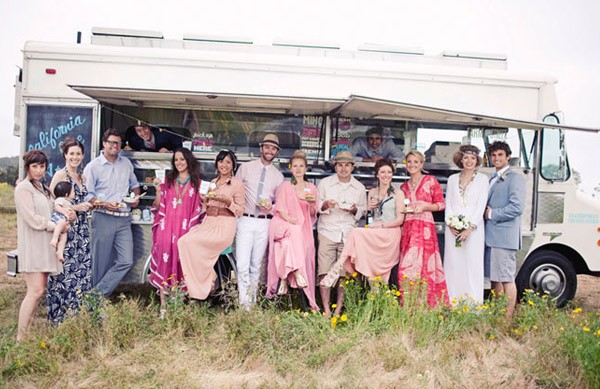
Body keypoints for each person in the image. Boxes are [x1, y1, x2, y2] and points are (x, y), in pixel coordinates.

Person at [320, 159, 405, 310]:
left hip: (390, 233)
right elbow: (369, 216)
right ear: (377, 174)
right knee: (357, 235)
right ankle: (375, 306)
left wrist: (382, 224)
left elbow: (400, 219)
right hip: (375, 232)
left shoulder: (398, 193)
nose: (386, 175)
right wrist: (369, 209)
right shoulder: (372, 192)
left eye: (389, 172)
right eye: (383, 172)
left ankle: (339, 265)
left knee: (355, 232)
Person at [15, 150, 70, 341]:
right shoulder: (23, 189)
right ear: (28, 168)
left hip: (45, 244)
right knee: (35, 291)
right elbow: (32, 218)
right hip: (33, 244)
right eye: (35, 166)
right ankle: (20, 338)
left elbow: (52, 208)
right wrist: (54, 226)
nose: (39, 170)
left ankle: (27, 333)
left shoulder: (43, 188)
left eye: (42, 166)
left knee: (39, 291)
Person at [178, 149, 244, 300]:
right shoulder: (213, 183)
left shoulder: (237, 184)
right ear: (216, 164)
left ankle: (209, 281)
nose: (224, 165)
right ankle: (207, 278)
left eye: (228, 162)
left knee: (197, 242)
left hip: (225, 224)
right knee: (184, 242)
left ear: (233, 165)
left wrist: (228, 202)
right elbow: (206, 208)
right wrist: (205, 200)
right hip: (209, 222)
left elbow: (240, 210)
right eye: (221, 161)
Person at [84, 128, 140, 297]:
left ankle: (95, 296)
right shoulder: (93, 166)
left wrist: (135, 197)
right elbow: (87, 195)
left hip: (124, 220)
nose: (116, 146)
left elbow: (135, 186)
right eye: (112, 142)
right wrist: (105, 205)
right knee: (99, 264)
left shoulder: (126, 164)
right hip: (103, 218)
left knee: (126, 260)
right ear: (104, 144)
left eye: (118, 143)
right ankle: (95, 305)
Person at [149, 147, 204, 315]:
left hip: (185, 232)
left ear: (189, 160)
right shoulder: (167, 181)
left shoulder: (198, 184)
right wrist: (158, 192)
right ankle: (164, 307)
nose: (179, 163)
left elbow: (201, 209)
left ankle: (177, 305)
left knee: (181, 266)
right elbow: (158, 207)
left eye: (182, 159)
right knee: (166, 264)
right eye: (176, 160)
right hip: (166, 230)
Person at [235, 134, 284, 310]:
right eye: (267, 147)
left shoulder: (278, 176)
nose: (270, 151)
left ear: (277, 152)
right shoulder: (245, 168)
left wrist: (270, 207)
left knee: (256, 266)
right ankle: (243, 304)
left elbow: (280, 203)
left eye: (274, 148)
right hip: (245, 220)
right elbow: (236, 191)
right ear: (261, 148)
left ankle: (251, 303)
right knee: (242, 265)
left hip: (264, 222)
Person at [46, 138, 93, 324]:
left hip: (82, 231)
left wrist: (85, 207)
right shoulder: (60, 175)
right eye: (71, 153)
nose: (75, 157)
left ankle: (78, 315)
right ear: (65, 155)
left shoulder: (82, 177)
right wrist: (71, 210)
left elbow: (80, 203)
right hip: (67, 230)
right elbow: (50, 202)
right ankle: (60, 317)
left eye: (78, 154)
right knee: (65, 274)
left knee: (82, 273)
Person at [315, 151, 367, 317]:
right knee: (324, 271)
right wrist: (325, 205)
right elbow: (316, 206)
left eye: (347, 165)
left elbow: (363, 210)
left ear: (352, 167)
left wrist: (354, 210)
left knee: (344, 274)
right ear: (335, 166)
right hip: (327, 231)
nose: (343, 168)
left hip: (348, 234)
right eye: (340, 165)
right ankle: (326, 309)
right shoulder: (324, 183)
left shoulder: (359, 187)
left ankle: (338, 309)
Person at [266, 150, 319, 311]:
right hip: (282, 223)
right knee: (294, 232)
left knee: (293, 243)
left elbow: (312, 214)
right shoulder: (285, 186)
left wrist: (310, 204)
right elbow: (280, 209)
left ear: (306, 168)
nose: (298, 169)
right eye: (295, 166)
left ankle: (284, 277)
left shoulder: (311, 188)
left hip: (303, 227)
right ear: (290, 168)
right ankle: (296, 272)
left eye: (301, 166)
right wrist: (289, 219)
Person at [398, 150, 449, 307]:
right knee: (406, 270)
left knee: (425, 269)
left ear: (421, 164)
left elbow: (441, 204)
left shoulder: (430, 180)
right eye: (409, 162)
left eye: (416, 162)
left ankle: (427, 307)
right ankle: (409, 306)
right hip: (408, 228)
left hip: (425, 228)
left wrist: (426, 206)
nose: (412, 165)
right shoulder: (403, 186)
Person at [484, 141, 526, 318]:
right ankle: (497, 314)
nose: (496, 158)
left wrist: (493, 213)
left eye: (500, 155)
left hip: (504, 236)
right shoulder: (492, 178)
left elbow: (517, 207)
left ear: (508, 157)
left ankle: (507, 318)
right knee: (495, 279)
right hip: (491, 237)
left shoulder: (515, 178)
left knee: (507, 279)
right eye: (493, 155)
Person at [443, 145, 489, 305]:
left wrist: (470, 227)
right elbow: (448, 202)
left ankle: (473, 305)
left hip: (473, 229)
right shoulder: (452, 179)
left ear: (477, 160)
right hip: (453, 229)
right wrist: (450, 223)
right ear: (460, 159)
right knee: (453, 264)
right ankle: (453, 302)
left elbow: (481, 205)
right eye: (466, 158)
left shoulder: (483, 179)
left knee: (472, 264)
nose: (469, 161)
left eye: (473, 158)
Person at [49, 181, 74, 262]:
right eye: (73, 192)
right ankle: (55, 239)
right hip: (58, 217)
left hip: (64, 221)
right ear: (67, 194)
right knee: (61, 223)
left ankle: (60, 251)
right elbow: (57, 207)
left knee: (64, 236)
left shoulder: (69, 202)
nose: (74, 193)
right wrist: (65, 213)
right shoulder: (61, 199)